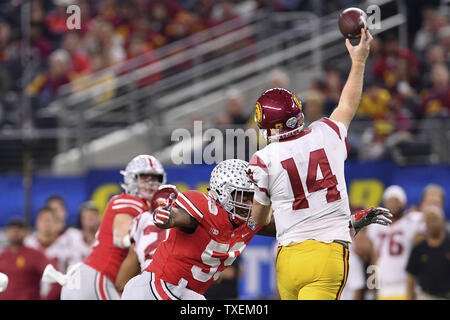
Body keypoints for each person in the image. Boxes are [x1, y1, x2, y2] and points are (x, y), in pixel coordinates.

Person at [121, 159, 390, 300]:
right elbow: (182, 218)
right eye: (244, 195)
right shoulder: (203, 205)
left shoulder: (251, 222)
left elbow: (302, 227)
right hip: (156, 289)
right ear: (223, 193)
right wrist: (166, 217)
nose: (251, 202)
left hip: (188, 294)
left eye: (252, 195)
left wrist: (351, 223)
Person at [246, 28, 381, 300]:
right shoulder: (325, 133)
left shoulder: (263, 158)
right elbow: (347, 105)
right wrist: (358, 62)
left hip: (288, 259)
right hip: (327, 252)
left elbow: (258, 220)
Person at [58, 154, 166, 300]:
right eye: (144, 178)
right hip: (98, 278)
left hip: (90, 280)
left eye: (154, 178)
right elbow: (121, 237)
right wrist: (136, 240)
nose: (150, 183)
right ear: (131, 179)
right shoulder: (130, 202)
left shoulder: (144, 209)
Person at [366, 185, 425, 300]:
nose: (393, 204)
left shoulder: (411, 222)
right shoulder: (376, 226)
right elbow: (374, 256)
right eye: (390, 201)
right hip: (383, 286)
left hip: (404, 284)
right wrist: (372, 281)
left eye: (396, 200)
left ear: (404, 203)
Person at [114, 185, 173, 293]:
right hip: (176, 283)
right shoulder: (183, 224)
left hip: (147, 281)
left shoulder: (142, 219)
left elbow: (120, 283)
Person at [0, 217, 60, 300]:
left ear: (26, 233)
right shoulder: (2, 255)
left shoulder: (35, 255)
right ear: (7, 232)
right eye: (12, 229)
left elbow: (57, 279)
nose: (15, 232)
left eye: (19, 229)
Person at [406, 205, 450, 300]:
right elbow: (410, 278)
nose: (432, 223)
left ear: (442, 221)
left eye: (435, 219)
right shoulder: (419, 248)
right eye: (429, 220)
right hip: (425, 296)